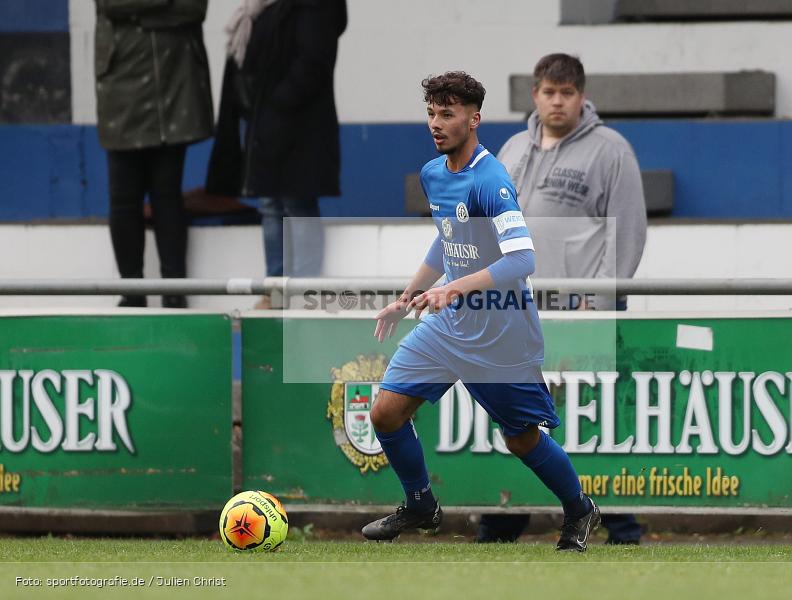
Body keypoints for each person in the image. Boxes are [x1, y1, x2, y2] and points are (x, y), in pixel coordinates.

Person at [360, 72, 602, 552]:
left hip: (501, 335)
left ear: (474, 119)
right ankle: (421, 504)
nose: (436, 123)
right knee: (386, 412)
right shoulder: (434, 174)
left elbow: (523, 259)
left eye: (447, 114)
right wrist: (408, 297)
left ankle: (579, 509)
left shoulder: (491, 180)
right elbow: (447, 239)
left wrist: (454, 288)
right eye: (431, 113)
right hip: (449, 327)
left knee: (521, 439)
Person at [476, 53, 647, 545]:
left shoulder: (611, 151)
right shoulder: (511, 149)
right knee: (519, 416)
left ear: (582, 97)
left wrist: (600, 302)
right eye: (549, 92)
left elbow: (628, 233)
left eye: (567, 93)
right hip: (516, 312)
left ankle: (620, 525)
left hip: (580, 311)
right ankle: (503, 521)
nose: (557, 102)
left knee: (589, 420)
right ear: (535, 95)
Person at [206, 0, 347, 299]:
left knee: (297, 203)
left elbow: (313, 61)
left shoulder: (316, 7)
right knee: (270, 204)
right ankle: (275, 290)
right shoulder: (262, 8)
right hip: (265, 125)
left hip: (300, 128)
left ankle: (304, 290)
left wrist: (279, 102)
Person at [94, 0, 214, 308]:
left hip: (175, 87)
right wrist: (164, 8)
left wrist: (138, 14)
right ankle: (132, 293)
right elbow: (111, 4)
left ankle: (174, 293)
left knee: (167, 197)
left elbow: (195, 8)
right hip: (121, 88)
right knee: (124, 199)